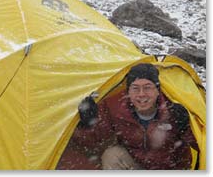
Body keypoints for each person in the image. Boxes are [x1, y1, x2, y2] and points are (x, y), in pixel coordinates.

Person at [57, 63, 198, 170]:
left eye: (148, 87)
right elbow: (92, 142)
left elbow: (201, 143)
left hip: (170, 169)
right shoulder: (115, 109)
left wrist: (186, 126)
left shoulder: (173, 111)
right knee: (111, 154)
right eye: (135, 88)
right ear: (128, 92)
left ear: (157, 91)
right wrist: (87, 123)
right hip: (135, 166)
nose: (141, 94)